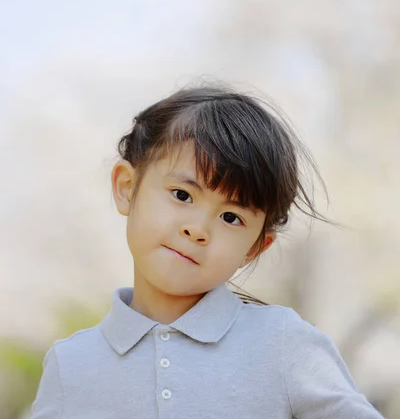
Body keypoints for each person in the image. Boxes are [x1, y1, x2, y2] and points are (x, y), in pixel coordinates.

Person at [30, 83, 384, 418]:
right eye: (182, 195)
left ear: (255, 247)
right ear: (126, 187)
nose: (197, 230)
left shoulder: (283, 344)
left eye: (231, 217)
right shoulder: (71, 364)